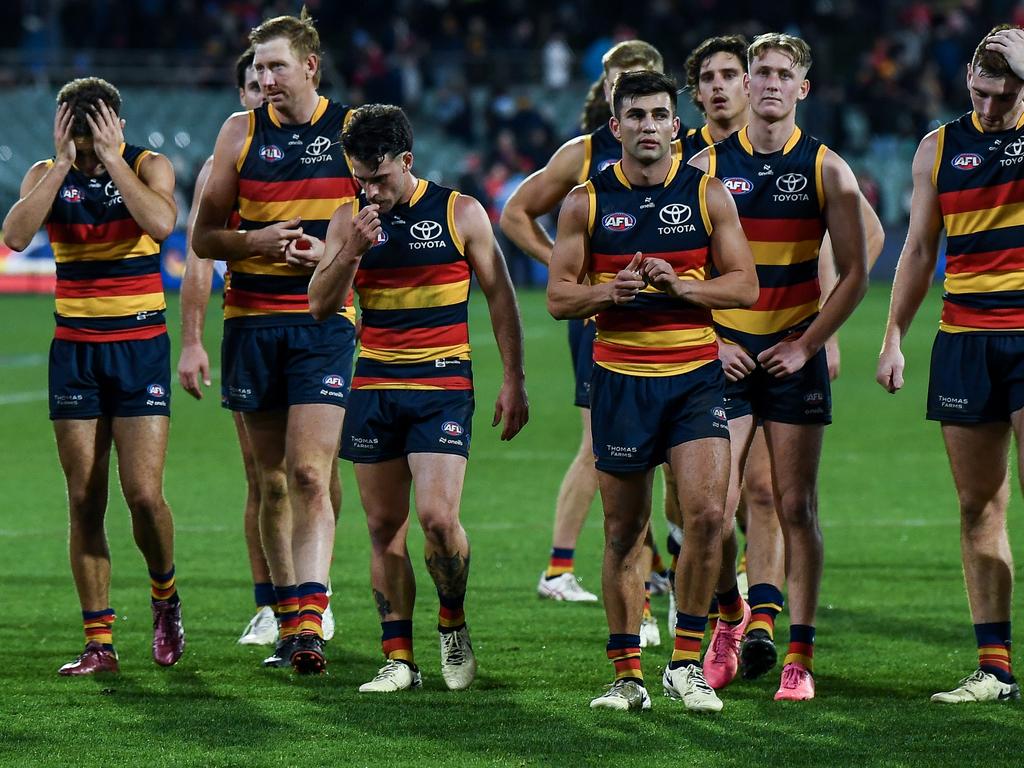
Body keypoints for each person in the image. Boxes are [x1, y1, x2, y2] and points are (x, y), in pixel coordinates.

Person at [548, 70, 757, 713]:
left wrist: (682, 288)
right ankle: (627, 674)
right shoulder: (585, 201)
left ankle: (687, 663)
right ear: (615, 127)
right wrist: (607, 292)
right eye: (634, 115)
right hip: (620, 381)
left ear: (675, 125)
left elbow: (744, 286)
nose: (647, 126)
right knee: (622, 533)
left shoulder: (708, 194)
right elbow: (558, 296)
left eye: (659, 115)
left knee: (709, 517)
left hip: (694, 378)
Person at [309, 104, 529, 693]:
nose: (371, 191)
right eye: (361, 179)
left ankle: (452, 622)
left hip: (442, 383)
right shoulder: (347, 220)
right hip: (375, 385)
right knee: (383, 528)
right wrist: (351, 248)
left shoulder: (460, 212)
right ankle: (399, 658)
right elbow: (320, 305)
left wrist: (514, 380)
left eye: (380, 178)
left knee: (437, 518)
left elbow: (500, 297)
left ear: (408, 161)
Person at [689, 33, 870, 701]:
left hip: (793, 359)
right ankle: (730, 620)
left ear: (802, 88)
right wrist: (711, 339)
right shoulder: (705, 165)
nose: (767, 82)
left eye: (780, 73)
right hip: (728, 359)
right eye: (758, 71)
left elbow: (855, 273)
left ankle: (799, 658)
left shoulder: (828, 170)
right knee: (711, 508)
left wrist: (809, 343)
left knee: (796, 505)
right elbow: (685, 272)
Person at [192, 9, 357, 674]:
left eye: (276, 67)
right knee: (270, 481)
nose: (263, 79)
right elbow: (203, 238)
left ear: (310, 67)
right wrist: (253, 242)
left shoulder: (351, 132)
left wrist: (332, 252)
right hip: (251, 323)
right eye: (257, 69)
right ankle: (287, 619)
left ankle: (311, 619)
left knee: (312, 473)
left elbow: (387, 226)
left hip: (323, 324)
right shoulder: (238, 132)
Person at [2, 77, 183, 675]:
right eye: (74, 135)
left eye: (91, 133)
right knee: (84, 497)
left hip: (139, 347)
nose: (82, 145)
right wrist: (60, 165)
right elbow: (15, 235)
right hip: (76, 350)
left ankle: (164, 597)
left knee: (143, 495)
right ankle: (99, 643)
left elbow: (160, 224)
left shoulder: (149, 166)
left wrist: (110, 161)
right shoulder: (45, 174)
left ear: (117, 124)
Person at [877, 24, 1024, 704]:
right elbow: (916, 249)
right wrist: (893, 336)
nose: (989, 107)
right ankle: (994, 668)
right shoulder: (939, 146)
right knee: (976, 504)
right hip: (964, 336)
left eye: (1004, 93)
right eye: (980, 92)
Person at [500, 41, 666, 610]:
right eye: (622, 81)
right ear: (607, 89)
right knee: (600, 442)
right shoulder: (583, 153)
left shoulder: (687, 152)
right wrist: (566, 271)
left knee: (672, 441)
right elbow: (515, 212)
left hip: (672, 319)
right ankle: (559, 565)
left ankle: (658, 562)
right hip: (602, 317)